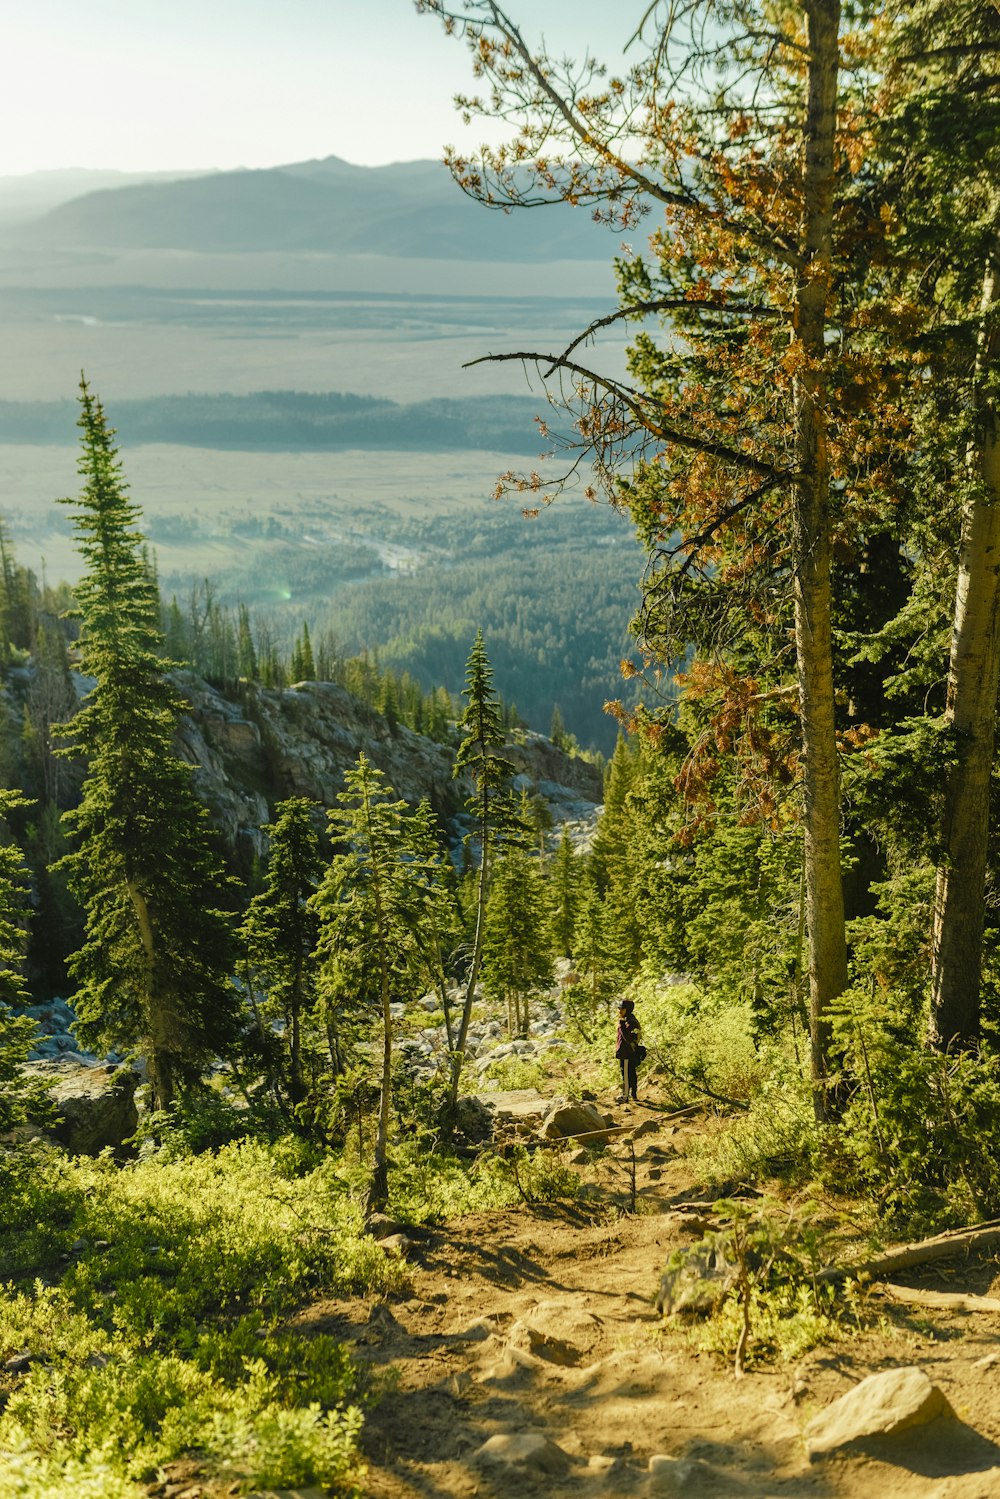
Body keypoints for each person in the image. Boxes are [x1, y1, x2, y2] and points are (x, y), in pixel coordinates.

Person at [615, 998, 641, 1103]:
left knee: (626, 1073)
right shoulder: (628, 1020)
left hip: (627, 1053)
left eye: (622, 1009)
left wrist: (621, 1025)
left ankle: (626, 1096)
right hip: (626, 1052)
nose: (619, 1011)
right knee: (630, 1072)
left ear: (628, 1010)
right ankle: (633, 1095)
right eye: (619, 1008)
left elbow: (629, 1038)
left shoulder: (630, 1022)